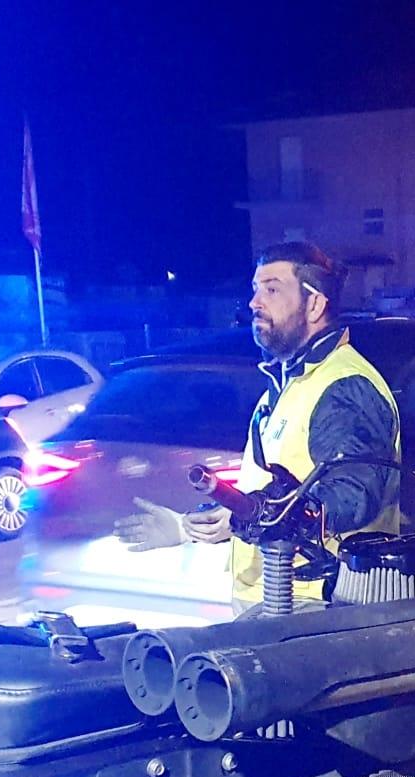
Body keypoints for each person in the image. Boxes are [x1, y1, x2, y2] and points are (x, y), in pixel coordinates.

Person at [119, 243, 400, 607]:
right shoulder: (287, 385)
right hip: (276, 601)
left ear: (315, 304)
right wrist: (195, 525)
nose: (254, 302)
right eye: (255, 289)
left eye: (272, 289)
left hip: (318, 608)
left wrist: (253, 515)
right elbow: (273, 496)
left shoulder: (343, 386)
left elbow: (350, 496)